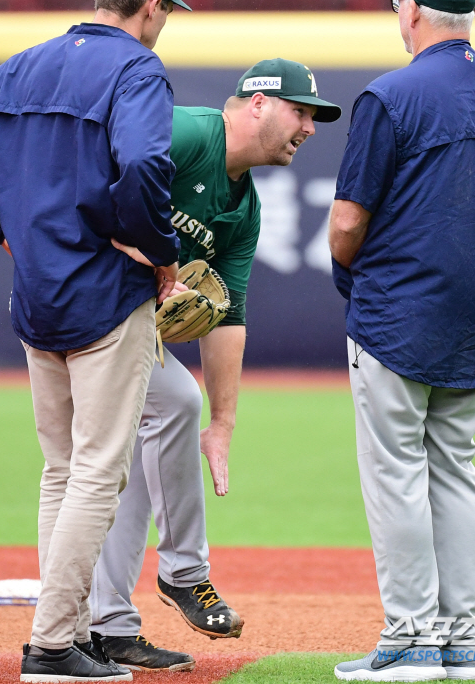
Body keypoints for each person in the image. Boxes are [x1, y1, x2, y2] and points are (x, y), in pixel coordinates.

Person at [0, 0, 192, 683]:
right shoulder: (137, 68)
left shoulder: (24, 63)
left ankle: (67, 630)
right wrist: (160, 250)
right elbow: (144, 165)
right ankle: (51, 646)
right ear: (153, 6)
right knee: (98, 471)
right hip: (105, 292)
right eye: (167, 10)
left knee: (62, 469)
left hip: (37, 292)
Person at [87, 59, 342, 671]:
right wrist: (137, 246)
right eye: (300, 111)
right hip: (80, 302)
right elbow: (89, 168)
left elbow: (229, 314)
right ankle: (181, 575)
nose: (309, 127)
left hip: (122, 322)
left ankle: (110, 625)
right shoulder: (188, 134)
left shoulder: (244, 208)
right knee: (171, 404)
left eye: (314, 116)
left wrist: (224, 424)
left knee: (148, 438)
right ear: (257, 103)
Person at [328, 0, 475, 682]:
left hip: (398, 313)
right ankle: (463, 644)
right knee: (456, 470)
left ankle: (412, 641)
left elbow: (348, 221)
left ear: (412, 10)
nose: (395, 11)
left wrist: (346, 268)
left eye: (397, 2)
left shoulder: (392, 94)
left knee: (398, 474)